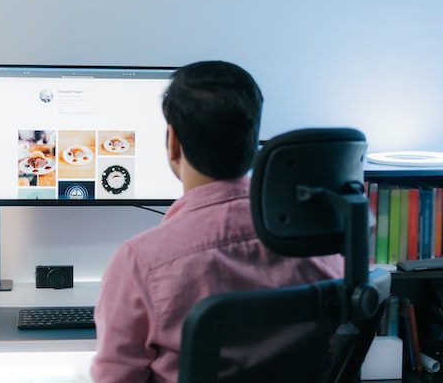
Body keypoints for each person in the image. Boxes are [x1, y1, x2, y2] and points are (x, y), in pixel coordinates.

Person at [90, 61, 344, 382]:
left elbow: (116, 378)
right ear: (253, 139)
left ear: (173, 142)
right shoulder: (322, 247)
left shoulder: (140, 263)